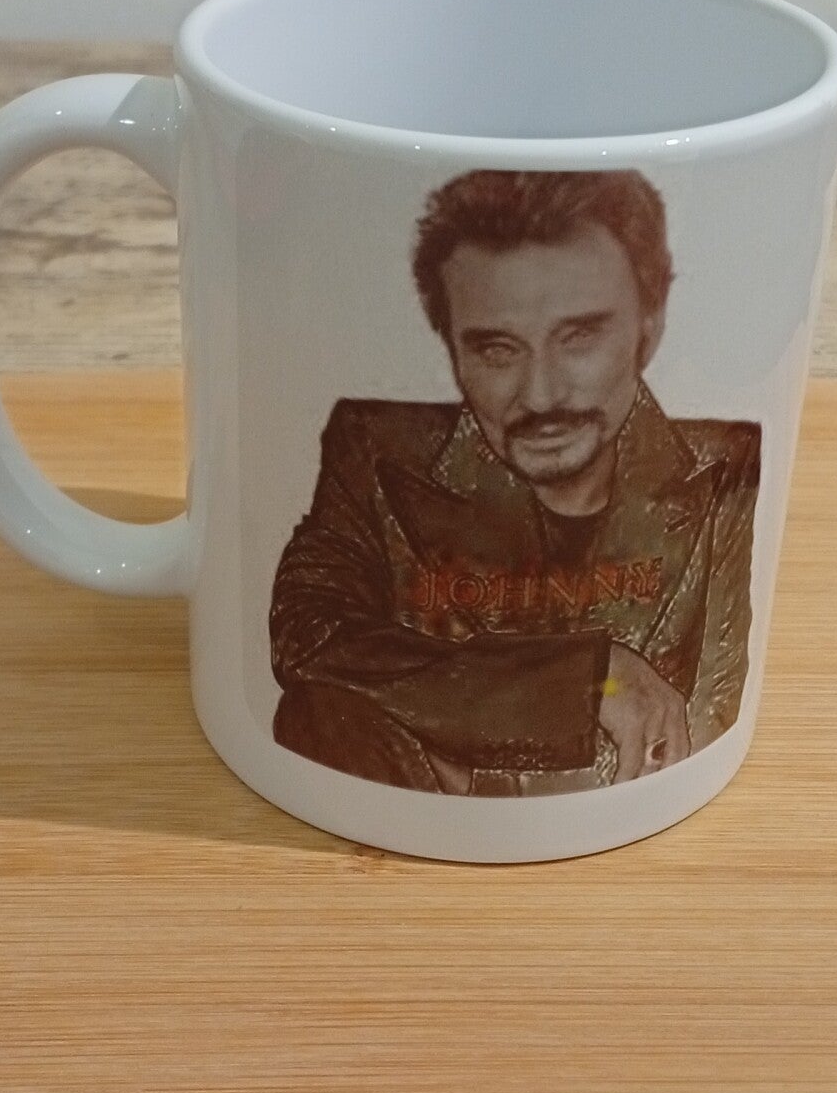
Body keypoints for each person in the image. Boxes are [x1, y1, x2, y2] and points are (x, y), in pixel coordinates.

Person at [270, 168, 761, 796]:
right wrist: (589, 683)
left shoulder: (723, 470)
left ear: (651, 322)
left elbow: (709, 720)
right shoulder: (379, 455)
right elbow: (307, 636)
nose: (542, 395)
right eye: (498, 350)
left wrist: (451, 718)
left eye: (579, 338)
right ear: (450, 345)